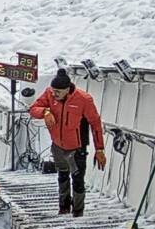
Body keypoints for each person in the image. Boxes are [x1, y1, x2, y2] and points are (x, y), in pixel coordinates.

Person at [29, 68, 106, 216]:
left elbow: (96, 124)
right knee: (62, 176)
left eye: (58, 92)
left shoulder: (84, 99)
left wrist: (100, 149)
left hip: (76, 148)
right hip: (58, 145)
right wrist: (45, 112)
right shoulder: (49, 94)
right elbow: (33, 109)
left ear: (67, 90)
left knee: (77, 180)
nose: (54, 94)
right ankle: (63, 207)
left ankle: (78, 210)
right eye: (53, 91)